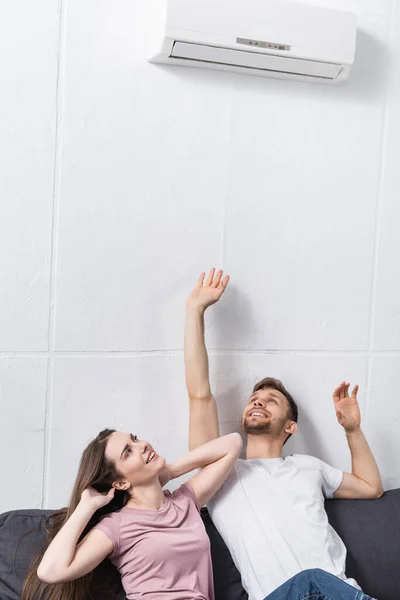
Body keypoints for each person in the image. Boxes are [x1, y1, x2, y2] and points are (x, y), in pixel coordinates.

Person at [185, 268, 383, 600]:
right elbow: (200, 395)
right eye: (254, 399)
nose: (258, 401)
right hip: (287, 595)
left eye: (271, 400)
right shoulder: (222, 472)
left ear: (290, 426)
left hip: (343, 594)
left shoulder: (309, 467)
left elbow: (371, 487)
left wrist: (353, 430)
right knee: (310, 580)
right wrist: (194, 311)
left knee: (317, 580)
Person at [23, 428, 243, 600]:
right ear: (120, 482)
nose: (143, 445)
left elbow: (232, 442)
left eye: (135, 439)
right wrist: (86, 506)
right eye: (128, 452)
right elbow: (50, 571)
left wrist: (172, 469)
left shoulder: (185, 501)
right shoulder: (116, 526)